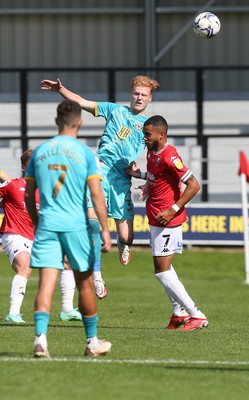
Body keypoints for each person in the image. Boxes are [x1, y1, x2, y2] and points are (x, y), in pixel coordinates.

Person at [41, 75, 159, 268]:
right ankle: (94, 274)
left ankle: (123, 244)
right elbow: (80, 102)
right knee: (92, 224)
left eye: (143, 95)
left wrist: (145, 177)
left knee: (127, 236)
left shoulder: (149, 125)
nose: (139, 98)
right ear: (131, 94)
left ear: (150, 98)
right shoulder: (114, 110)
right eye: (136, 93)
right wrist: (60, 90)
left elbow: (155, 156)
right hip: (101, 170)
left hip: (123, 178)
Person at [25, 100, 112, 358]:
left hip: (48, 224)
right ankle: (91, 342)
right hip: (75, 226)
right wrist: (106, 229)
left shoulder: (40, 151)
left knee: (45, 285)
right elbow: (96, 195)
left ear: (56, 122)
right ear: (80, 122)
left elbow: (29, 194)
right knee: (84, 284)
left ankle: (40, 340)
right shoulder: (86, 154)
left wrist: (35, 220)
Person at [126, 115, 208, 331]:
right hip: (156, 218)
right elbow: (157, 176)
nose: (144, 138)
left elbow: (193, 185)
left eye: (147, 134)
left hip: (168, 221)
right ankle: (178, 313)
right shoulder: (153, 152)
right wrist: (139, 175)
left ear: (161, 135)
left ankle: (196, 314)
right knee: (163, 268)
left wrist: (173, 209)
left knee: (162, 271)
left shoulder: (171, 156)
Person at [0, 155, 82, 323]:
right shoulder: (13, 185)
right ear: (24, 167)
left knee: (67, 260)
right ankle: (13, 313)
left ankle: (67, 310)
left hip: (37, 237)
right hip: (14, 234)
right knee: (25, 265)